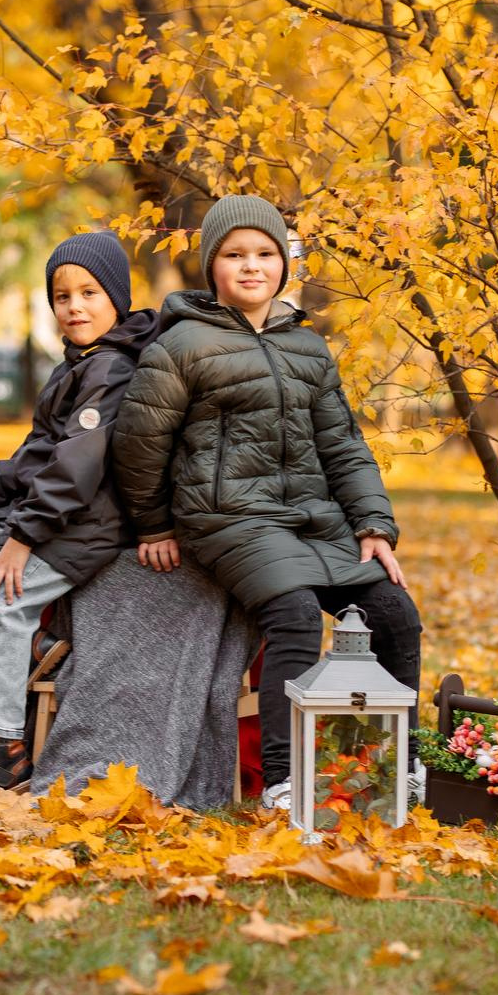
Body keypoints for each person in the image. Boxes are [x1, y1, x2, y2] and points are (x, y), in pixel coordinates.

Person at [111, 195, 423, 812]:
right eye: (234, 255)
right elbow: (139, 442)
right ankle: (284, 778)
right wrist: (151, 524)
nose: (251, 267)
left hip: (315, 519)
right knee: (297, 615)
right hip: (229, 517)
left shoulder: (306, 346)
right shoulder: (182, 346)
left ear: (284, 263)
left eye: (265, 254)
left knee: (394, 613)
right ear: (212, 266)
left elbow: (343, 444)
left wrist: (374, 525)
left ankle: (402, 763)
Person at [0, 233, 158, 798]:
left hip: (86, 527)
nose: (74, 306)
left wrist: (22, 538)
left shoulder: (114, 370)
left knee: (4, 603)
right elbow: (36, 453)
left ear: (117, 298)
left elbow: (75, 466)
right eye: (62, 296)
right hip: (54, 516)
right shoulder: (76, 365)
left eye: (89, 293)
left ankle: (3, 748)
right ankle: (32, 644)